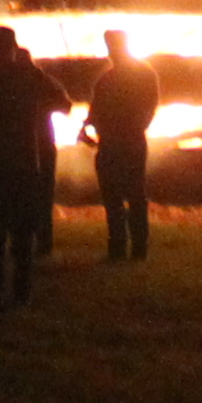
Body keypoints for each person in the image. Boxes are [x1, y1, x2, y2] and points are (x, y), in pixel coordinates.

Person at [0, 26, 68, 304]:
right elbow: (63, 103)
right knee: (22, 233)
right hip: (25, 162)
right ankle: (21, 291)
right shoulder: (30, 78)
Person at [86, 27, 161, 263]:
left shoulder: (111, 79)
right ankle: (130, 248)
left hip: (119, 142)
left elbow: (148, 107)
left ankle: (127, 247)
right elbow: (95, 112)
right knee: (123, 196)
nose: (110, 51)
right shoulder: (135, 74)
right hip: (122, 141)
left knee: (122, 196)